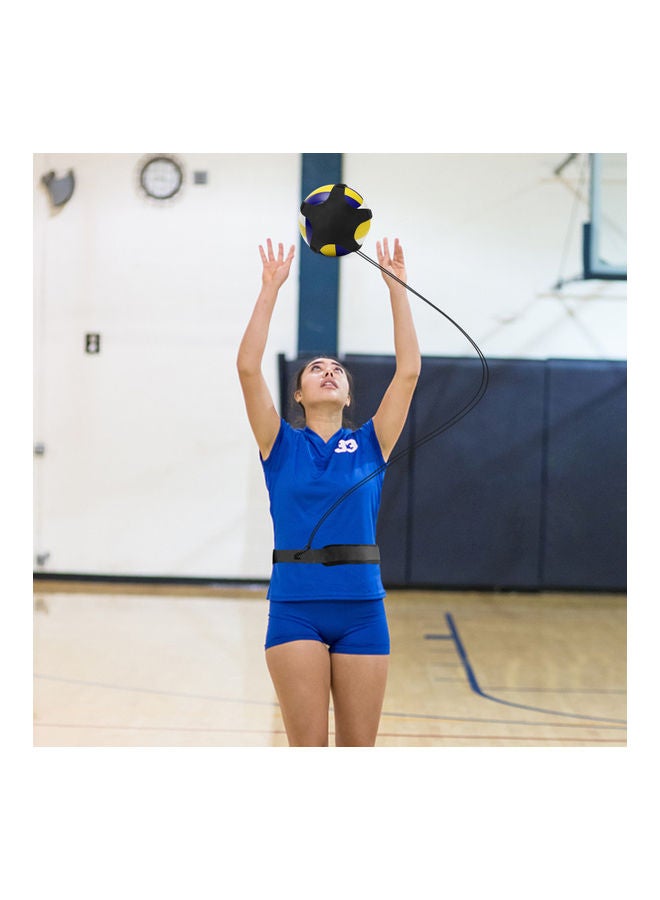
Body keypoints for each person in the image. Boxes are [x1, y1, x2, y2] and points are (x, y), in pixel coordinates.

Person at [237, 237, 420, 746]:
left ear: (347, 393)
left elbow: (409, 371)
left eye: (336, 369)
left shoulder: (371, 442)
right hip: (296, 607)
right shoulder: (280, 443)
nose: (328, 371)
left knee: (357, 752)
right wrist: (270, 290)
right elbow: (248, 368)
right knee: (310, 751)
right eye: (316, 368)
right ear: (298, 393)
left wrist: (396, 289)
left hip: (363, 608)